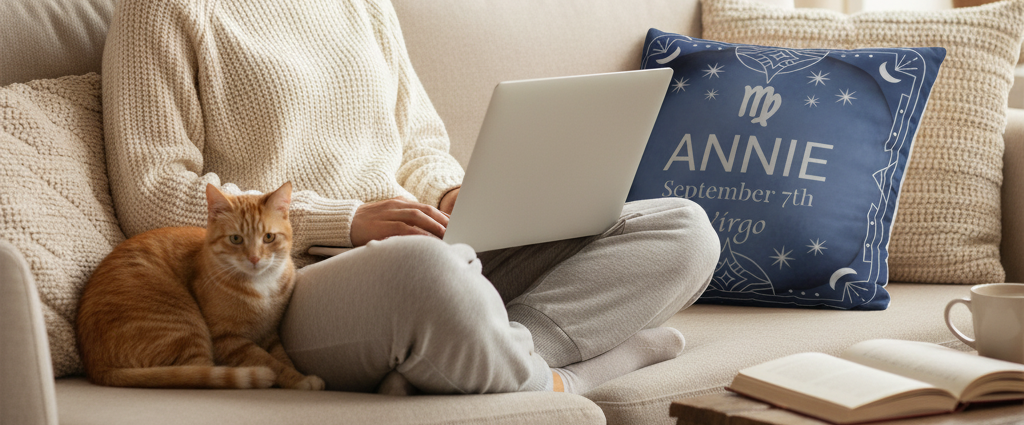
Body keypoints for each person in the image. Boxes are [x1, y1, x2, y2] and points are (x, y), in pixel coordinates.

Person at [102, 0, 719, 395]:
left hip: (436, 249)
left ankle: (483, 348)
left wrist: (450, 194)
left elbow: (420, 146)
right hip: (291, 279)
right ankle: (573, 377)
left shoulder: (362, 5)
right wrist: (347, 223)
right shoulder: (161, 9)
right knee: (428, 273)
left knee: (684, 230)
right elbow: (153, 195)